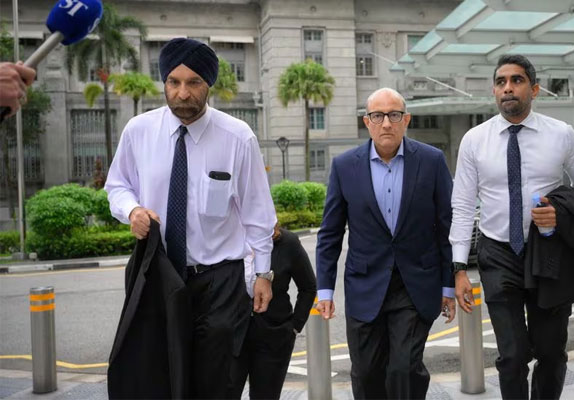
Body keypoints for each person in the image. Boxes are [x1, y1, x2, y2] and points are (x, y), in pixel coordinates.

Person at [105, 38, 277, 399]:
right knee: (160, 374)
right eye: (173, 82)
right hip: (159, 274)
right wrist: (132, 210)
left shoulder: (237, 137)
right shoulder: (139, 131)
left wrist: (263, 274)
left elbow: (258, 213)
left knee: (216, 378)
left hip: (220, 280)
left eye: (193, 82)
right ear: (164, 82)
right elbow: (117, 186)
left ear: (209, 84)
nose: (182, 93)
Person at [450, 54, 574, 399]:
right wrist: (458, 268)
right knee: (512, 355)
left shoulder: (562, 135)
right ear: (494, 91)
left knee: (550, 351)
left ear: (535, 89)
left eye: (516, 81)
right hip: (498, 253)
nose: (508, 88)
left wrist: (561, 215)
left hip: (549, 252)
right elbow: (461, 204)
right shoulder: (474, 140)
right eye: (501, 82)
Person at [316, 87, 455, 399]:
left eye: (394, 115)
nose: (386, 123)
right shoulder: (344, 166)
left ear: (406, 119)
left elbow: (447, 227)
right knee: (366, 373)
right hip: (365, 285)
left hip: (415, 285)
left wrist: (448, 285)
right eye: (378, 116)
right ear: (367, 122)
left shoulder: (431, 161)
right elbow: (329, 234)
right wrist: (324, 289)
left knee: (404, 369)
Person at [231, 223, 317, 399]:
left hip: (273, 337)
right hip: (230, 335)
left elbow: (308, 287)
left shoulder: (287, 243)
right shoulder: (227, 240)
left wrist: (294, 327)